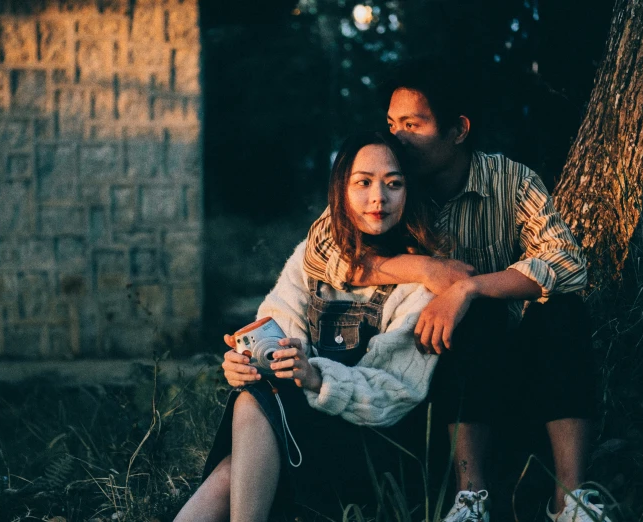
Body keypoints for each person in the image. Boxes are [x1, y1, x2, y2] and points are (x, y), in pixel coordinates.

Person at [302, 58, 610, 522]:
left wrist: (466, 288)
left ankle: (571, 500)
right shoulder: (390, 184)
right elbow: (322, 249)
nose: (397, 137)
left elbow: (566, 261)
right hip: (426, 383)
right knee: (473, 317)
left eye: (413, 124)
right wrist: (424, 268)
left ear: (458, 130)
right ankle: (470, 499)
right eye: (391, 123)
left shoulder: (509, 180)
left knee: (557, 311)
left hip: (519, 377)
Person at [174, 131, 442, 521]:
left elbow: (396, 394)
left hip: (375, 452)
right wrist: (249, 361)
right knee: (253, 400)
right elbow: (279, 324)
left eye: (393, 184)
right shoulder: (314, 258)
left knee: (246, 450)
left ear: (409, 190)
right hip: (308, 434)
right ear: (341, 190)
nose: (378, 198)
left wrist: (315, 377)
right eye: (363, 182)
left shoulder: (422, 281)